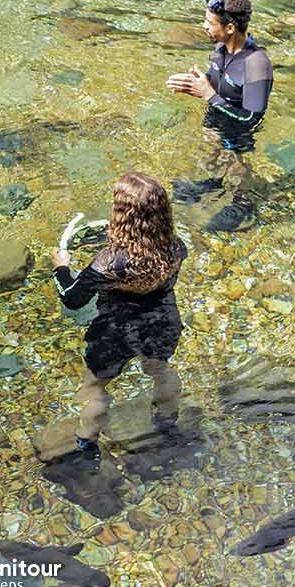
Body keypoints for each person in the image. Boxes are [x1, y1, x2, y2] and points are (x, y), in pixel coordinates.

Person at [51, 172, 187, 473]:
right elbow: (145, 251)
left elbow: (72, 299)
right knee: (160, 371)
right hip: (162, 323)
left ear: (121, 214)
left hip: (117, 333)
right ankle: (167, 423)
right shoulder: (176, 247)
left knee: (94, 389)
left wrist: (61, 266)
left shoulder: (109, 262)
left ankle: (87, 447)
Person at [165, 0, 273, 218]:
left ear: (230, 27)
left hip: (238, 131)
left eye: (210, 22)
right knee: (211, 155)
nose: (204, 26)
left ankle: (245, 204)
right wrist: (196, 84)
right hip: (217, 119)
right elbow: (218, 86)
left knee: (238, 165)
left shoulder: (256, 64)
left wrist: (208, 95)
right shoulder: (220, 50)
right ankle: (211, 183)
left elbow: (251, 118)